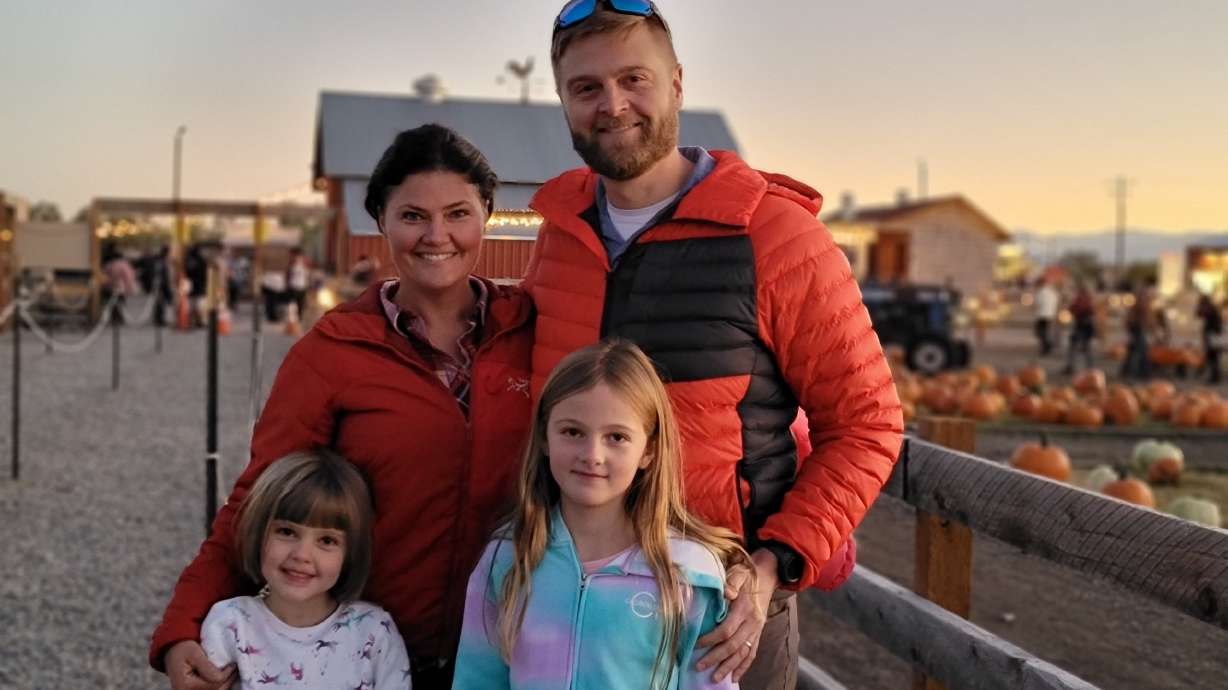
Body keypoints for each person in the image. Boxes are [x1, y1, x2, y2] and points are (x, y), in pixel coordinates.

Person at [523, 2, 903, 687]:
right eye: (586, 88)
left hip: (723, 617)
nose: (613, 105)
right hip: (573, 599)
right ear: (563, 101)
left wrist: (774, 565)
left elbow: (868, 423)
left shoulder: (776, 237)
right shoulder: (558, 239)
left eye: (634, 78)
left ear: (676, 84)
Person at [150, 124, 534, 690]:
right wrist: (184, 623)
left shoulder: (530, 331)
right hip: (368, 654)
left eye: (458, 213)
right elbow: (260, 494)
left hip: (508, 653)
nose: (437, 235)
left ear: (487, 215)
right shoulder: (333, 352)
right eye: (412, 216)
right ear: (380, 219)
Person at [452, 340, 749, 690]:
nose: (592, 454)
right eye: (573, 432)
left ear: (649, 451)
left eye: (617, 437)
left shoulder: (688, 574)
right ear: (545, 437)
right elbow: (476, 681)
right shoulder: (506, 560)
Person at [199, 450, 411, 689]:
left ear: (351, 553)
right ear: (258, 533)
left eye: (327, 541)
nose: (301, 555)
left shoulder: (375, 633)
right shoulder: (230, 625)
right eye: (287, 532)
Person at [1120, 280, 1154, 381]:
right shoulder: (1141, 301)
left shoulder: (1137, 300)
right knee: (1141, 350)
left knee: (1134, 350)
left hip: (1135, 328)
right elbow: (1146, 316)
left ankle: (1128, 372)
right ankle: (1141, 373)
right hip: (1137, 328)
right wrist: (1152, 327)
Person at [1062, 281, 1096, 375]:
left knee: (1075, 347)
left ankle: (1072, 367)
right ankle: (1089, 367)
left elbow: (1074, 308)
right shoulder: (1089, 299)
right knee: (1086, 347)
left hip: (1082, 325)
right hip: (1086, 326)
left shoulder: (1081, 299)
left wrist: (1070, 309)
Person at [1197, 294, 1223, 384]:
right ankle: (1215, 376)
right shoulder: (1213, 308)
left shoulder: (1209, 308)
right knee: (1213, 357)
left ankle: (1215, 377)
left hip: (1212, 335)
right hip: (1213, 335)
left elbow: (1199, 314)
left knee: (1212, 357)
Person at [1034, 277, 1060, 356]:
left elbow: (1037, 303)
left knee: (1041, 332)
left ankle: (1046, 346)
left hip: (1042, 314)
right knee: (1048, 331)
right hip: (1051, 314)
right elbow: (1057, 302)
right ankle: (1048, 345)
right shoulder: (1053, 292)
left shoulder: (1040, 292)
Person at [285, 247, 310, 322]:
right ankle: (292, 321)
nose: (297, 258)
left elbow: (307, 275)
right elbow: (287, 276)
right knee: (292, 306)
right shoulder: (291, 264)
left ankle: (298, 321)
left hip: (302, 287)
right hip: (293, 287)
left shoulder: (304, 264)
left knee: (300, 306)